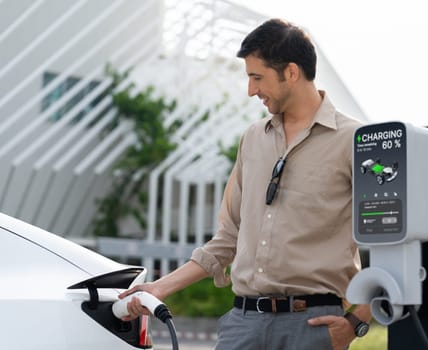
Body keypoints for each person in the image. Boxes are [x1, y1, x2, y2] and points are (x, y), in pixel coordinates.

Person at [120, 18, 371, 349]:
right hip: (243, 324)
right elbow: (228, 237)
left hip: (312, 326)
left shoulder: (356, 141)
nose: (251, 90)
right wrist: (159, 287)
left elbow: (391, 242)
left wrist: (356, 322)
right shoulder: (253, 139)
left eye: (257, 77)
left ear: (292, 72)